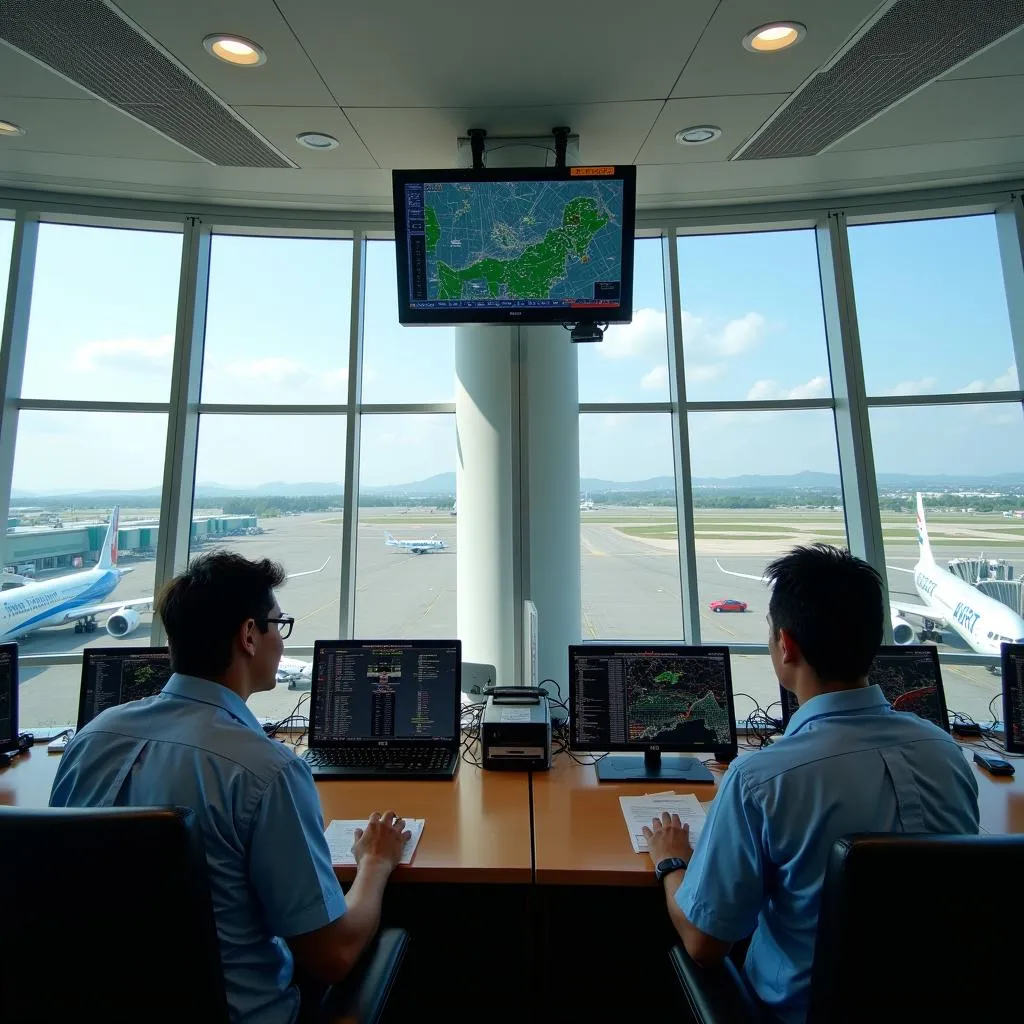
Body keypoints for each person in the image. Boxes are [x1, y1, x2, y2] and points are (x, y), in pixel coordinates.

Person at [50, 551, 408, 1024]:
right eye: (278, 625)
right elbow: (333, 956)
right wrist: (376, 863)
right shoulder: (266, 771)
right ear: (248, 636)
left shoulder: (92, 739)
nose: (280, 640)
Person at [644, 544, 979, 1024]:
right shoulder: (945, 753)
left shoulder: (761, 781)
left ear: (786, 645)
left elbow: (703, 943)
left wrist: (671, 859)